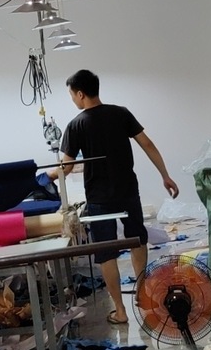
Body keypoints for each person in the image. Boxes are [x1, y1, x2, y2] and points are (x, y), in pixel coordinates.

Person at [58, 70, 177, 326]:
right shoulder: (121, 113)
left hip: (99, 198)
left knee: (106, 252)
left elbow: (65, 168)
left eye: (72, 95)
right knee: (137, 240)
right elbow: (147, 144)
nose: (73, 100)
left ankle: (120, 312)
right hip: (127, 191)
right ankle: (143, 297)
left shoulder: (76, 125)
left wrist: (42, 177)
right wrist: (165, 175)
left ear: (80, 94)